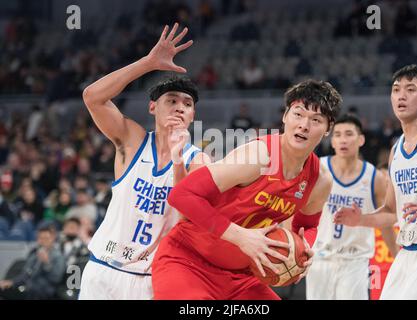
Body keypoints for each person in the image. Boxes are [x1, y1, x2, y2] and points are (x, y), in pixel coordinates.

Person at [152, 79, 343, 300]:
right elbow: (181, 195)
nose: (304, 125)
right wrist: (241, 236)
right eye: (298, 114)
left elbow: (307, 226)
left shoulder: (320, 180)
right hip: (188, 261)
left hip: (243, 277)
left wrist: (302, 250)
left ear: (328, 128)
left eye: (316, 120)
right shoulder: (258, 156)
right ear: (285, 116)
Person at [78, 23, 210, 300]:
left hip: (152, 279)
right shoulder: (133, 140)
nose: (179, 107)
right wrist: (148, 63)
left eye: (187, 104)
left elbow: (190, 217)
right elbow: (92, 97)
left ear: (192, 116)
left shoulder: (198, 160)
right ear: (152, 107)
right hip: (103, 270)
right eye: (171, 100)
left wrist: (177, 161)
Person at [335, 65, 417, 300]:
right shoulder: (396, 150)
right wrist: (361, 219)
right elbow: (391, 211)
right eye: (396, 90)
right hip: (407, 253)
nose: (401, 96)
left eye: (410, 89)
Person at [305, 114, 397, 300]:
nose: (343, 140)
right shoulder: (318, 169)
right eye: (337, 135)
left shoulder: (375, 178)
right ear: (331, 141)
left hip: (355, 261)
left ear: (361, 139)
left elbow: (385, 221)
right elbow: (297, 207)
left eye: (349, 134)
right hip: (319, 257)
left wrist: (397, 255)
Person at [0, 223, 65, 299]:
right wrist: (12, 282)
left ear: (53, 238)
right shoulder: (34, 253)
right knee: (4, 288)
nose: (43, 241)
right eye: (40, 238)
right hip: (29, 287)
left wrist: (47, 264)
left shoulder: (58, 256)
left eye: (46, 238)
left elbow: (56, 279)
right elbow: (26, 274)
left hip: (44, 290)